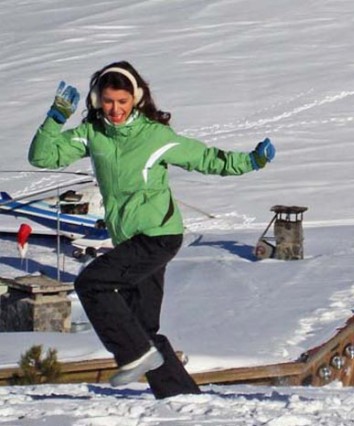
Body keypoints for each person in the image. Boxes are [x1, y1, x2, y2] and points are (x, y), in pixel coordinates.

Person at [28, 60, 276, 399]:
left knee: (91, 284)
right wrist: (56, 118)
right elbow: (42, 158)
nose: (115, 109)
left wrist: (250, 161)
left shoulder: (155, 136)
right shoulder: (92, 134)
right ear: (96, 99)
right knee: (143, 327)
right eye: (108, 101)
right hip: (130, 239)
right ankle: (181, 397)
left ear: (137, 99)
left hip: (158, 236)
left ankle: (133, 356)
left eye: (122, 101)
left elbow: (205, 158)